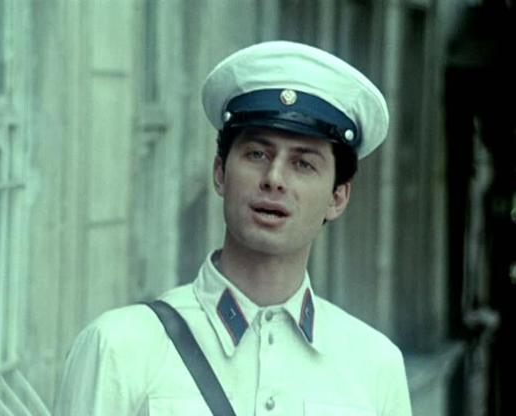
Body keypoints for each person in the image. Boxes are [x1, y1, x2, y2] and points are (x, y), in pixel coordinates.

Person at [54, 41, 412, 415]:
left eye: (303, 164)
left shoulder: (373, 367)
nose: (274, 178)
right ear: (220, 173)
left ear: (337, 197)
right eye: (257, 154)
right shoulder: (121, 348)